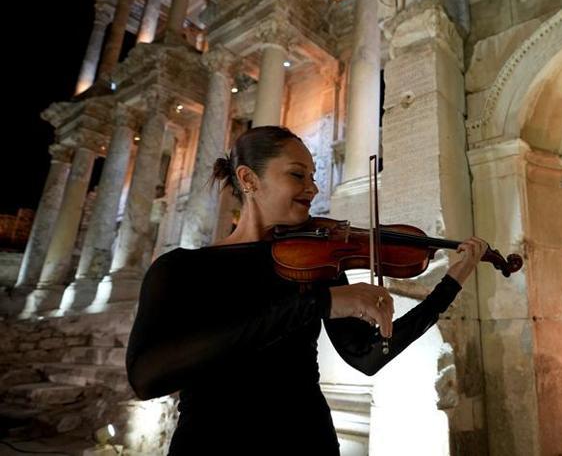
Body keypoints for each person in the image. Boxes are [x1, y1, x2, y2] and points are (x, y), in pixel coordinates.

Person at [125, 126, 487, 455]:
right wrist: (319, 303)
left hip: (306, 442)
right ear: (248, 179)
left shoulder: (314, 261)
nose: (313, 188)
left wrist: (448, 286)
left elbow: (370, 356)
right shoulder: (180, 269)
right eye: (298, 175)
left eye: (313, 176)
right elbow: (147, 377)